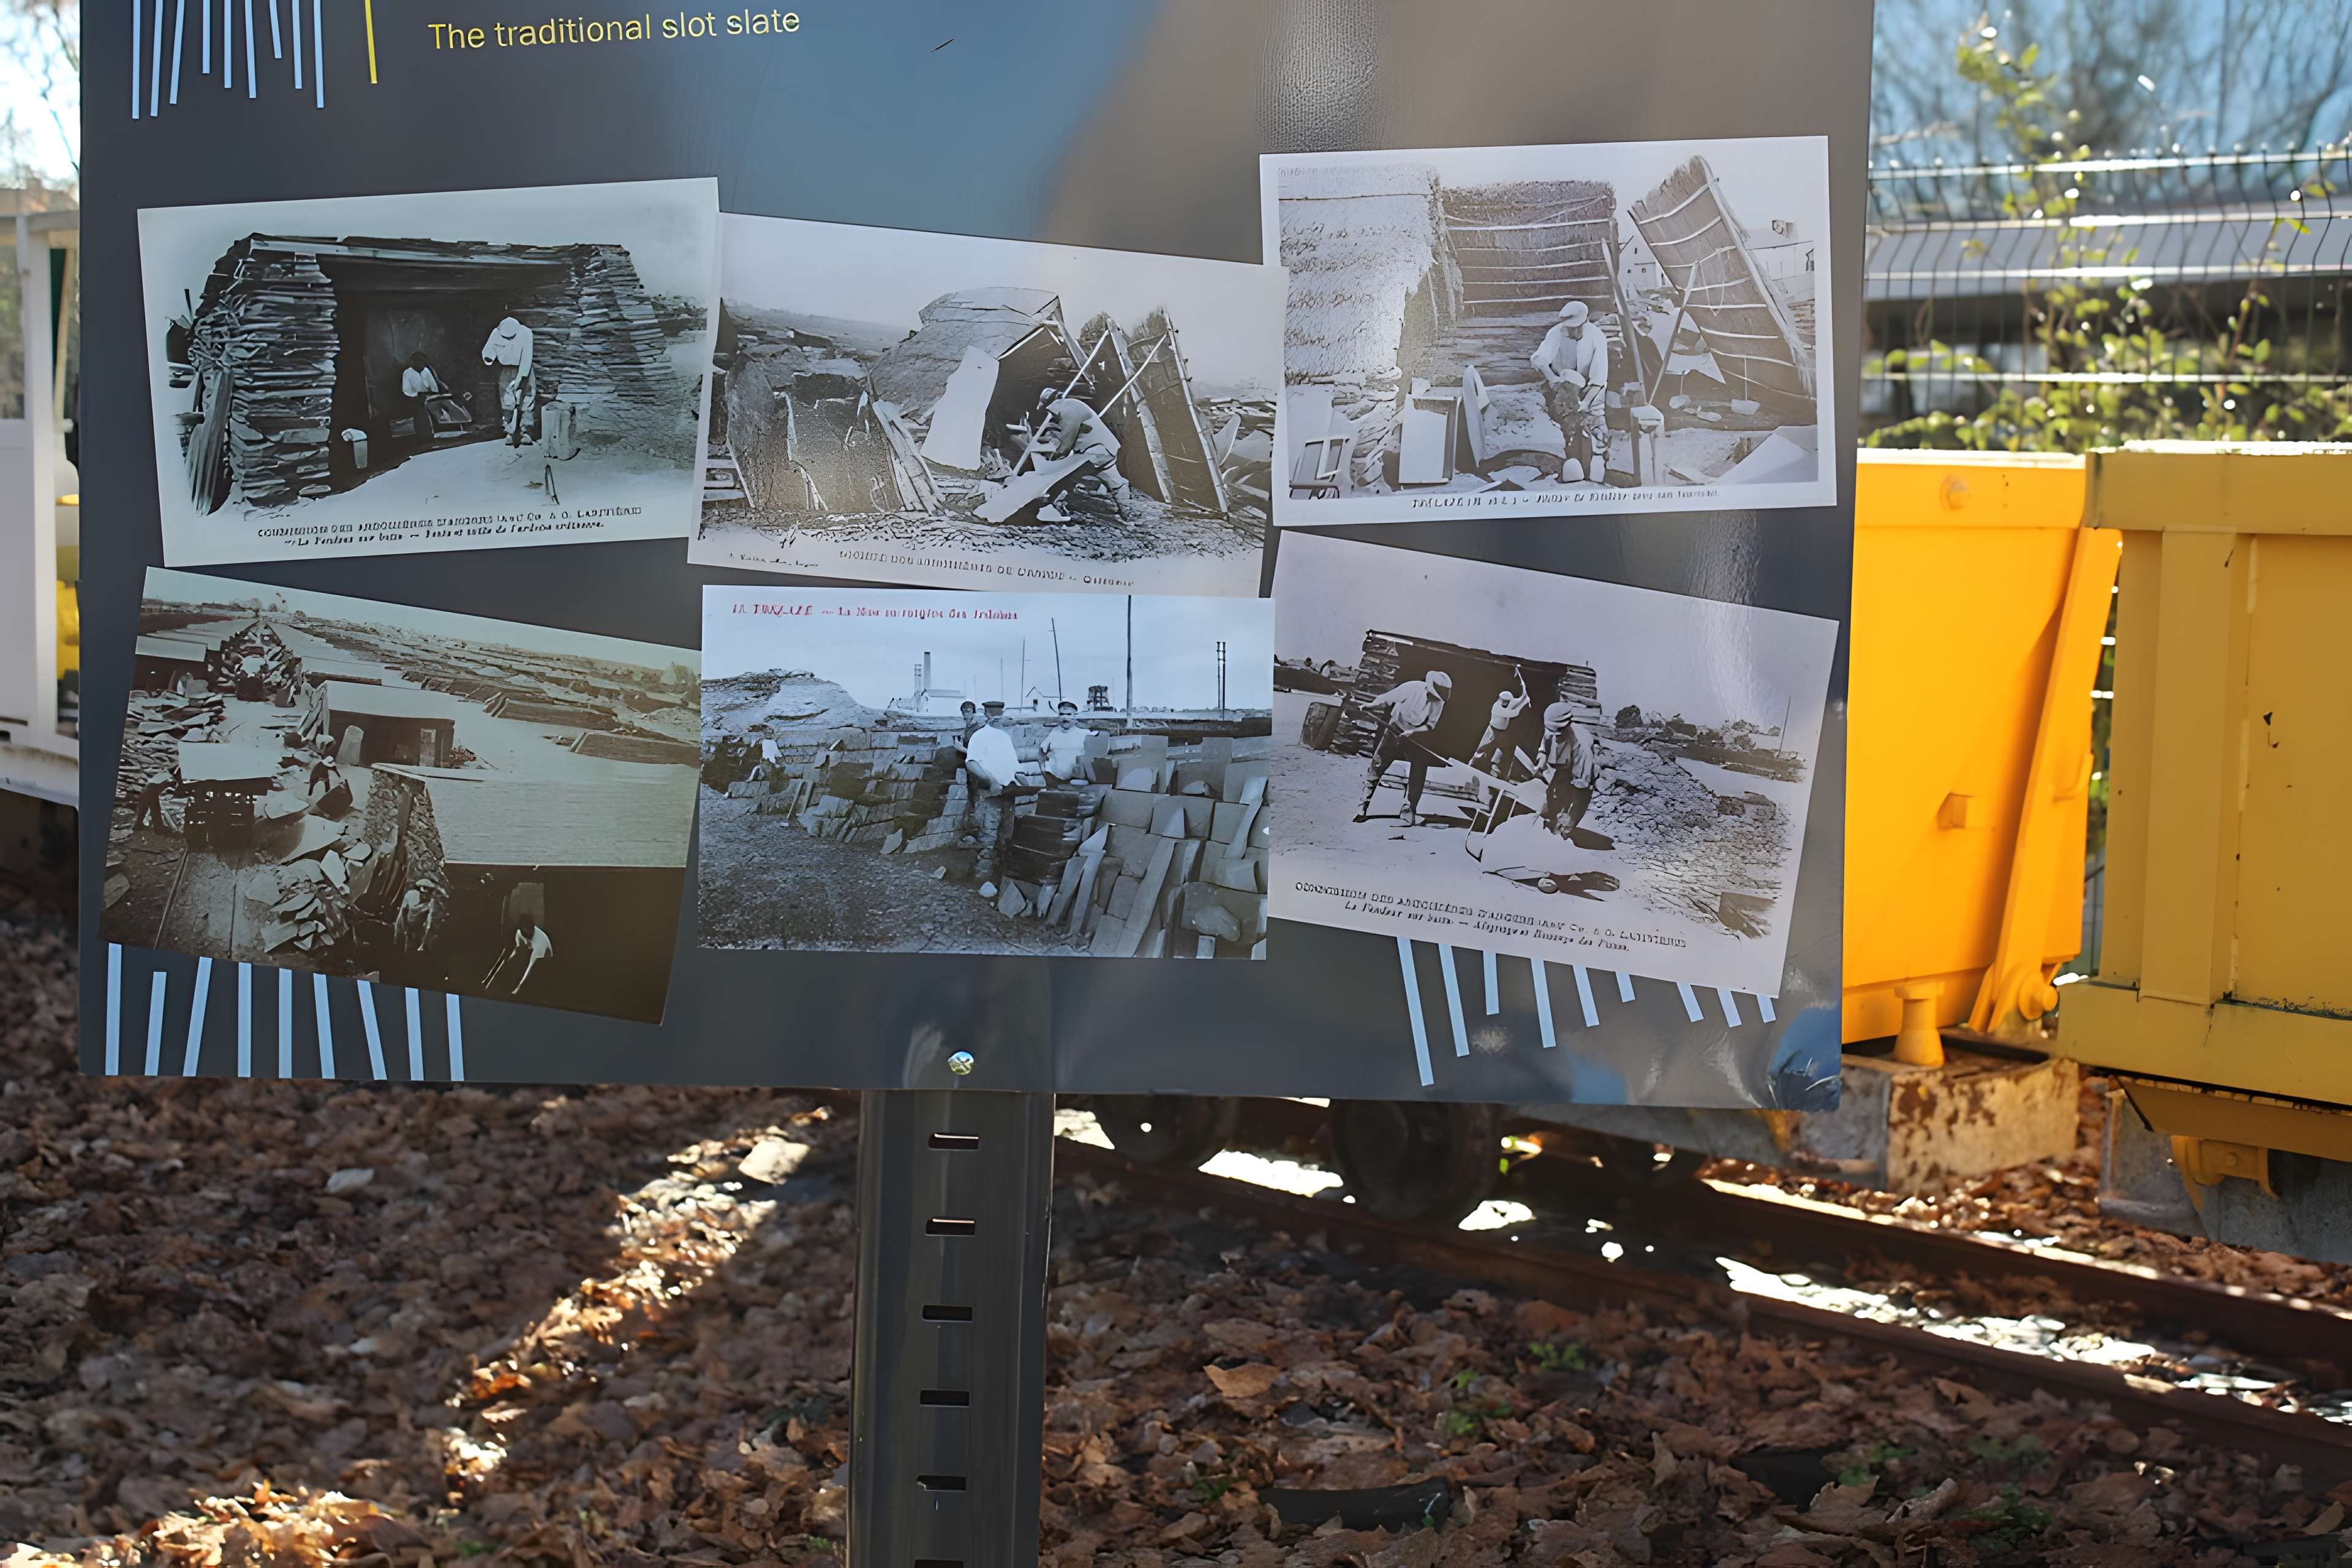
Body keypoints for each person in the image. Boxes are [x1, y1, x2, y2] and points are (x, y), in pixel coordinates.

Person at [1355, 669, 1453, 826]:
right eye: (1434, 695)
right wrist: (1371, 705)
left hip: (1416, 736)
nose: (1435, 699)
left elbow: (1430, 725)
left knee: (1419, 770)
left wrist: (1413, 732)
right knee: (1378, 765)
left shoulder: (1439, 702)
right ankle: (1363, 806)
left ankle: (1409, 809)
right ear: (1429, 688)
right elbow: (1386, 698)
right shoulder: (1412, 687)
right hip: (1394, 729)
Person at [1531, 298, 1611, 484]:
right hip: (1564, 389)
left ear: (1585, 322)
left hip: (1592, 391)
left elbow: (1599, 379)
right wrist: (1553, 380)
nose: (1572, 332)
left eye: (1576, 328)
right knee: (1567, 430)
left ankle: (1599, 470)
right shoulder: (1556, 333)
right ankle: (1570, 469)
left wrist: (1586, 403)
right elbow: (1539, 360)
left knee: (1597, 431)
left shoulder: (1597, 337)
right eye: (1569, 328)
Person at [1031, 386, 1131, 521]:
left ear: (1051, 405)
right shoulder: (1071, 405)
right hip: (1106, 449)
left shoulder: (1069, 410)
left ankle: (1052, 510)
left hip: (1095, 451)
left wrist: (1051, 464)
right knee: (1116, 482)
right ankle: (1129, 515)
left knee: (1064, 476)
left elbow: (1065, 445)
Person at [961, 709, 1024, 895]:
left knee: (1007, 836)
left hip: (1008, 794)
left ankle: (1001, 879)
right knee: (988, 837)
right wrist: (991, 781)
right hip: (990, 795)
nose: (997, 719)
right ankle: (982, 879)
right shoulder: (979, 736)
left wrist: (1027, 785)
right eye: (993, 716)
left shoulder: (1005, 737)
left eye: (1000, 716)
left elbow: (1014, 767)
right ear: (987, 717)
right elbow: (971, 763)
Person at [1537, 701, 1601, 838]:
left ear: (1565, 726)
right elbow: (1546, 742)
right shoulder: (1552, 728)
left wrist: (1570, 817)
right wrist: (1541, 758)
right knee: (1552, 794)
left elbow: (1581, 788)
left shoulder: (1583, 745)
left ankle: (1563, 832)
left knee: (1567, 816)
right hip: (1564, 769)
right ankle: (1550, 823)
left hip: (1581, 779)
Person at [481, 316, 536, 447]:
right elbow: (488, 352)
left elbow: (527, 357)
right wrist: (489, 357)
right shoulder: (496, 333)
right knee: (507, 400)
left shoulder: (526, 333)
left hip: (524, 367)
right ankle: (509, 431)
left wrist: (521, 378)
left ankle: (526, 431)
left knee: (527, 398)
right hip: (506, 369)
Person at [1469, 685, 1531, 774]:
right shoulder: (1497, 707)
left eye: (1508, 702)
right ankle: (1473, 766)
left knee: (1504, 750)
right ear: (1500, 699)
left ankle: (1494, 768)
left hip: (1502, 732)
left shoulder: (1509, 702)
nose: (1506, 703)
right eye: (1505, 701)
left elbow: (1517, 701)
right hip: (1492, 731)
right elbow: (1514, 713)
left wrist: (1524, 696)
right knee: (1484, 749)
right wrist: (1525, 702)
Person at [400, 352, 445, 453]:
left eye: (422, 361)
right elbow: (407, 390)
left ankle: (434, 438)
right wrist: (418, 395)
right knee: (420, 420)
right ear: (414, 362)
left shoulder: (427, 372)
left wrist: (430, 395)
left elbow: (434, 387)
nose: (421, 363)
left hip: (429, 399)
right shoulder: (407, 373)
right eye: (419, 361)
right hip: (416, 400)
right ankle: (423, 440)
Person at [1041, 700, 1091, 786]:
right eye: (1062, 714)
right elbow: (1042, 750)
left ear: (1075, 716)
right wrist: (1044, 770)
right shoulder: (1054, 732)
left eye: (1068, 715)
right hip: (1055, 778)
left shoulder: (1085, 733)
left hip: (1078, 780)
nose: (1065, 718)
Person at [505, 913, 553, 997]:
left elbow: (531, 967)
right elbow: (518, 945)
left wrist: (519, 987)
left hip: (545, 963)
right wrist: (510, 959)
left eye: (531, 931)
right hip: (533, 951)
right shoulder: (520, 933)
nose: (530, 932)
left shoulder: (540, 943)